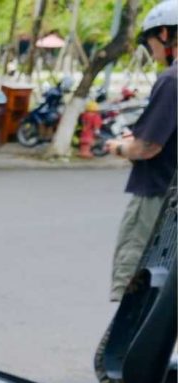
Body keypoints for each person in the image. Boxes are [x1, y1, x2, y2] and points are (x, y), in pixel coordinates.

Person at [105, 0, 177, 301]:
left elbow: (147, 147)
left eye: (150, 40)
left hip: (158, 196)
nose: (151, 49)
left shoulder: (172, 80)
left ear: (164, 33)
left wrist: (120, 147)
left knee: (137, 281)